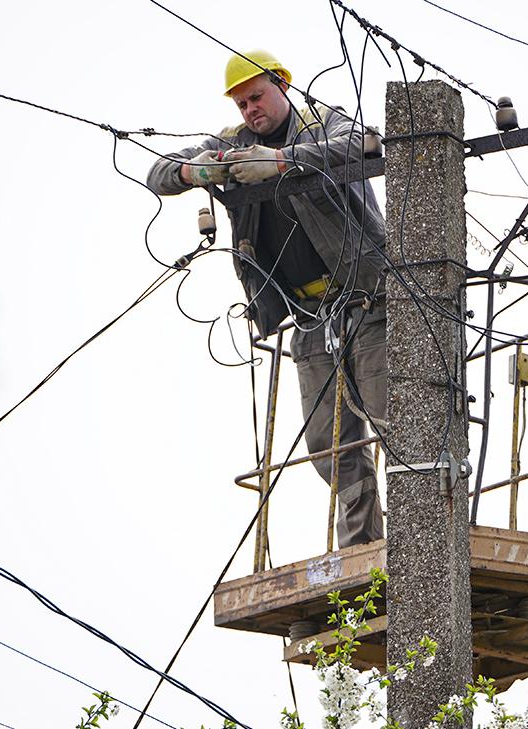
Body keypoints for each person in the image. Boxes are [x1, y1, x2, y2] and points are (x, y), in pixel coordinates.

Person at [147, 50, 388, 548]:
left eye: (257, 96)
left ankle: (425, 541)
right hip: (308, 315)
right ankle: (365, 549)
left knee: (397, 416)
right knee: (327, 441)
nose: (250, 110)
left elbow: (364, 145)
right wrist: (198, 173)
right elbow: (159, 173)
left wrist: (282, 161)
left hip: (368, 300)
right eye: (241, 104)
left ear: (282, 85)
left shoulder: (322, 122)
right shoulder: (233, 143)